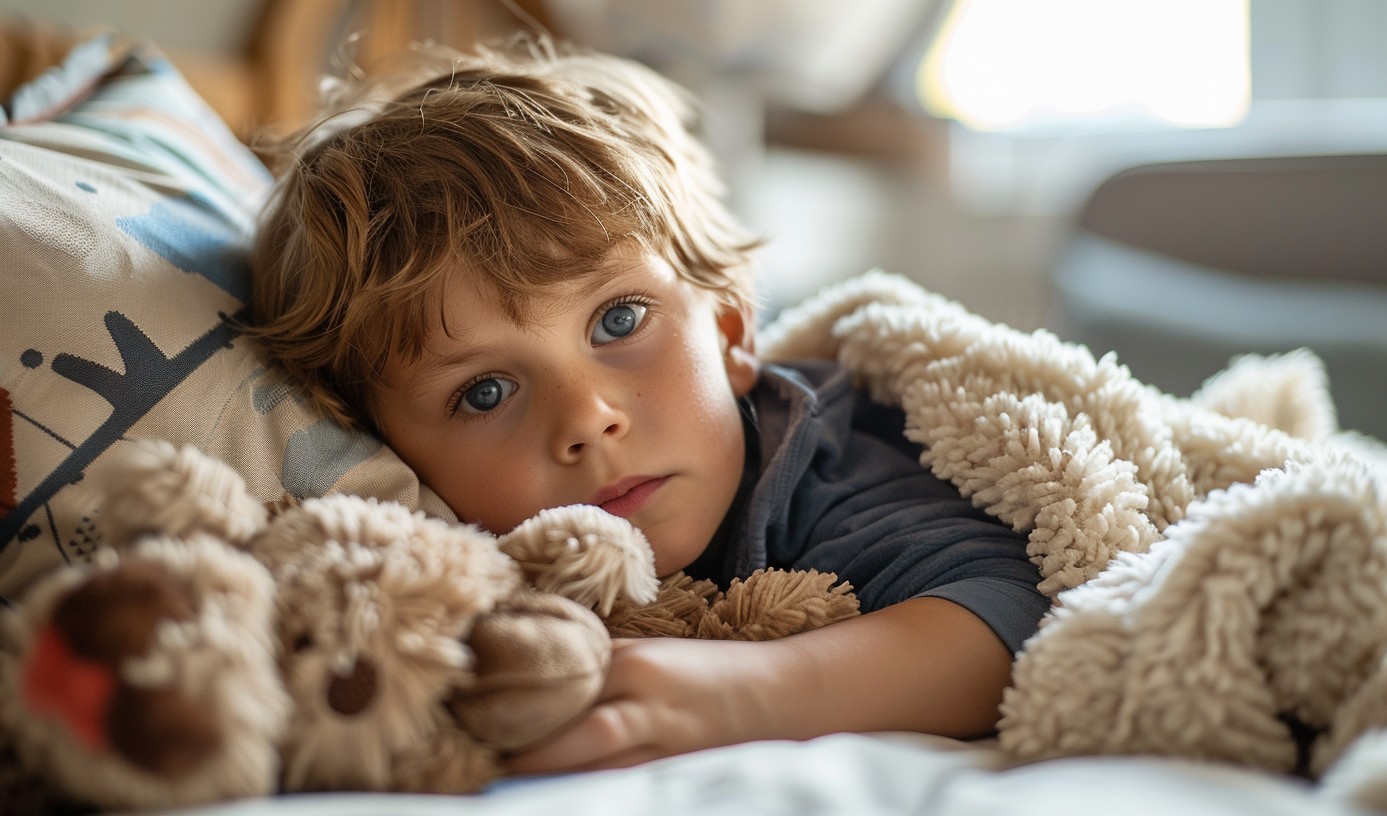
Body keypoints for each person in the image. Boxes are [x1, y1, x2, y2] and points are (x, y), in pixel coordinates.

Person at [248, 36, 1051, 775]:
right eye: (484, 393)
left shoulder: (817, 465)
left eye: (618, 320)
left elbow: (1011, 614)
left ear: (733, 335)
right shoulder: (448, 575)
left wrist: (754, 692)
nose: (587, 418)